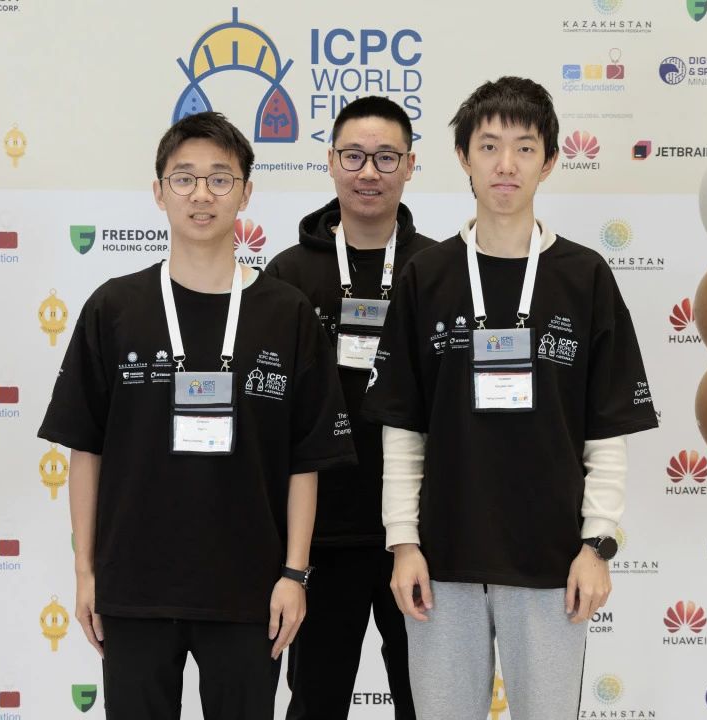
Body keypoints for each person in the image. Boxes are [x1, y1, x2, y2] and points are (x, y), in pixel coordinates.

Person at [38, 111, 356, 719]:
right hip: (134, 587)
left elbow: (305, 461)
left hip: (250, 591)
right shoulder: (114, 308)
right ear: (159, 192)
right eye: (183, 179)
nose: (202, 194)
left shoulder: (286, 313)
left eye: (220, 178)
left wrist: (294, 574)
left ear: (246, 192)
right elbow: (85, 450)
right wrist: (85, 573)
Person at [362, 77, 659, 718]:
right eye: (489, 146)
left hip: (553, 563)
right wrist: (404, 543)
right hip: (443, 562)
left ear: (548, 161)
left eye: (524, 148)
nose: (506, 164)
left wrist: (596, 546)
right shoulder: (426, 276)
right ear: (463, 157)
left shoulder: (584, 277)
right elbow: (403, 429)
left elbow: (604, 431)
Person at [266, 96, 432, 720]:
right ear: (331, 161)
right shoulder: (286, 275)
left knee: (427, 701)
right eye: (354, 156)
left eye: (386, 157)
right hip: (319, 537)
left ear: (410, 165)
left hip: (418, 536)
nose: (369, 172)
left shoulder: (438, 269)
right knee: (315, 701)